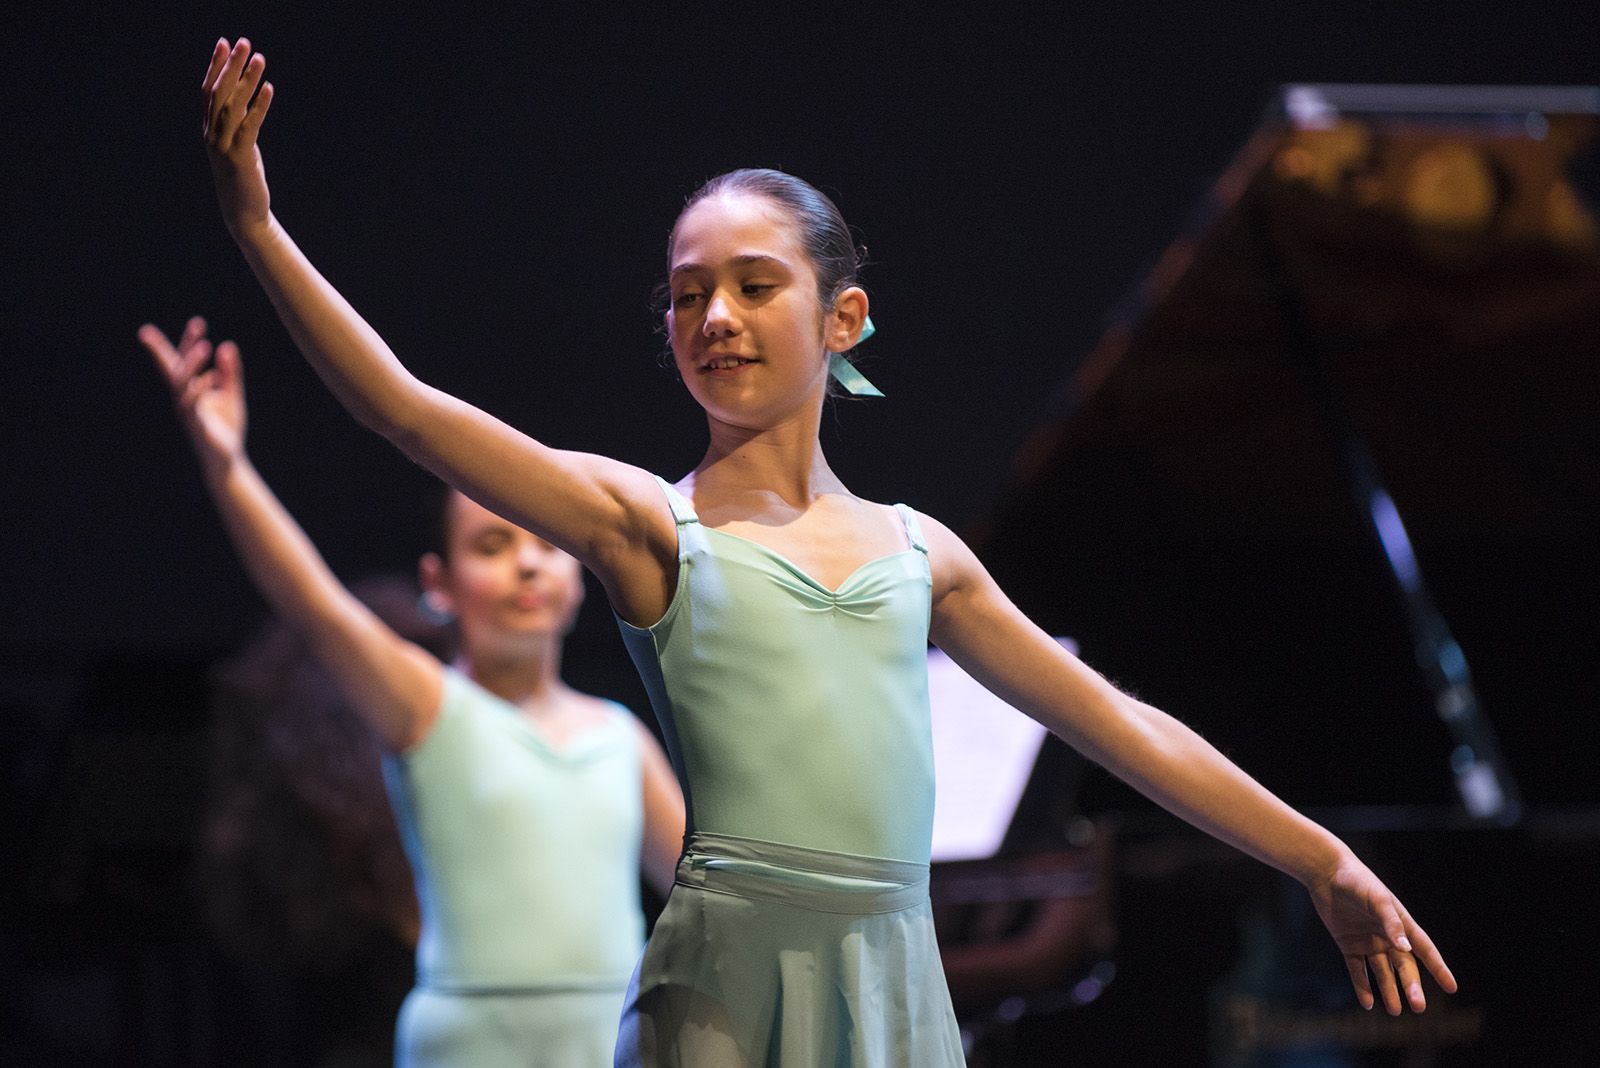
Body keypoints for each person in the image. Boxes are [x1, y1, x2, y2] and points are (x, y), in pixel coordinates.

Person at [195, 37, 1456, 1066]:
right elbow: (406, 411)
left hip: (892, 984)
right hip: (724, 992)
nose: (715, 317)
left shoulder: (924, 558)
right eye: (688, 295)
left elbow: (1120, 727)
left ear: (841, 315)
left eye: (752, 285)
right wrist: (259, 226)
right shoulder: (651, 526)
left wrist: (1321, 858)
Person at [140, 317, 685, 1066]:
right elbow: (315, 603)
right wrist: (227, 468)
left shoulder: (619, 736)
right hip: (470, 1043)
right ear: (440, 584)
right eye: (492, 546)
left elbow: (709, 887)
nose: (527, 565)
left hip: (612, 1038)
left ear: (578, 572)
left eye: (546, 544)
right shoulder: (430, 707)